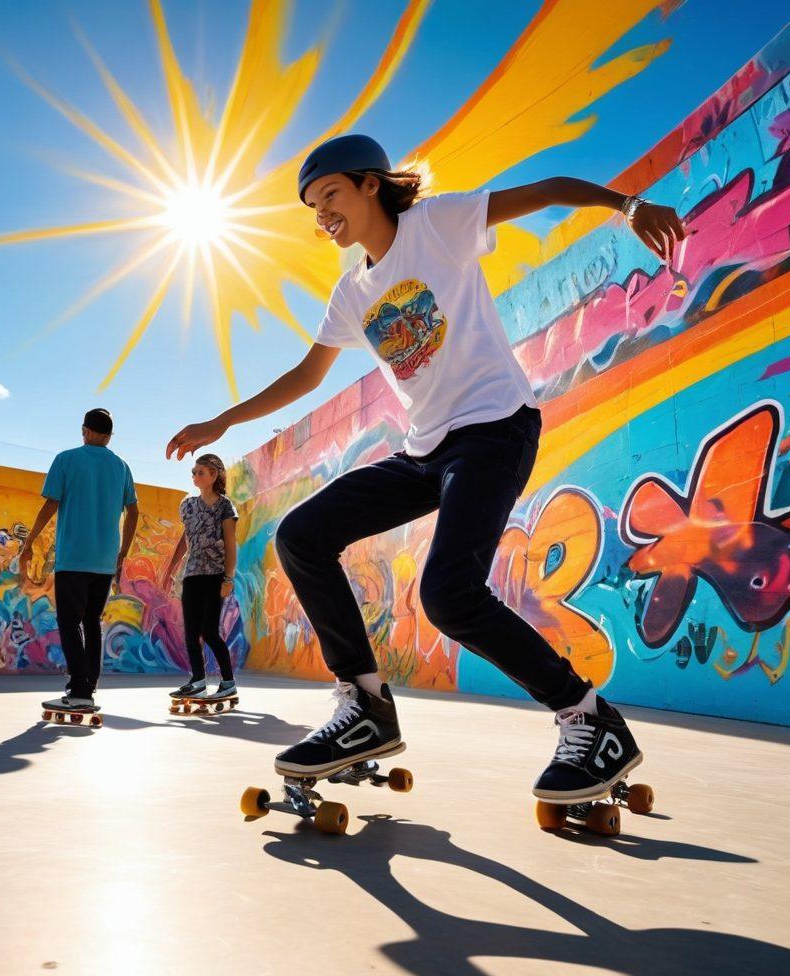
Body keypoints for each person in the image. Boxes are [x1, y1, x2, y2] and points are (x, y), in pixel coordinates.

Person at [166, 134, 686, 801]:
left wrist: (627, 205)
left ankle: (589, 719)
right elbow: (306, 374)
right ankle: (365, 705)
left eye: (330, 195)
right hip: (424, 453)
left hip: (495, 429)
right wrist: (224, 422)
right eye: (311, 207)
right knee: (301, 535)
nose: (322, 215)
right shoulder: (353, 292)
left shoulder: (436, 224)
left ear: (370, 185)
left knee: (448, 594)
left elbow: (550, 188)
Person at [20, 408, 139, 714]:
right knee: (92, 623)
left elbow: (51, 503)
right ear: (110, 436)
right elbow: (134, 511)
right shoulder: (121, 466)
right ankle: (89, 685)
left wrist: (30, 541)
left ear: (84, 430)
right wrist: (122, 552)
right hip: (104, 561)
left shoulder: (67, 459)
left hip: (73, 557)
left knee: (70, 622)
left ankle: (79, 690)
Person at [162, 454, 239, 701]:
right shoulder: (188, 505)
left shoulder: (225, 506)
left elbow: (230, 543)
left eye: (200, 472)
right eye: (193, 473)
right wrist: (171, 569)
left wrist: (228, 579)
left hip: (215, 575)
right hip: (192, 575)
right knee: (191, 632)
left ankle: (228, 682)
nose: (195, 477)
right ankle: (198, 681)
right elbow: (184, 542)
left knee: (209, 631)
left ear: (213, 475)